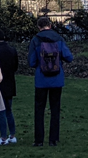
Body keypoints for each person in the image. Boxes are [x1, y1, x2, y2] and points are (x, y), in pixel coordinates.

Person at [27, 14, 74, 147]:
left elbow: (31, 62)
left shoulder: (35, 40)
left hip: (41, 80)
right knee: (55, 109)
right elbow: (69, 57)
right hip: (57, 79)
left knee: (39, 109)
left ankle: (39, 140)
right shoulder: (58, 38)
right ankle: (53, 139)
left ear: (38, 27)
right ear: (50, 25)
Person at [0, 27, 19, 145]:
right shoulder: (12, 50)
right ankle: (12, 135)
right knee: (9, 110)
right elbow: (15, 67)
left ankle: (3, 137)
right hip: (10, 83)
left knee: (0, 111)